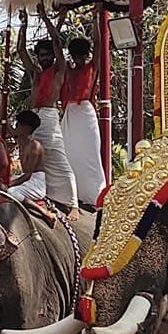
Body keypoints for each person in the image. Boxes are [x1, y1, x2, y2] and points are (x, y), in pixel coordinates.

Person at [23, 35, 77, 208]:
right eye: (41, 55)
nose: (44, 58)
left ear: (54, 55)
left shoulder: (59, 69)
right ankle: (44, 194)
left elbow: (58, 43)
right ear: (37, 56)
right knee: (37, 159)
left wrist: (46, 18)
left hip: (49, 115)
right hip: (34, 116)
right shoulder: (36, 74)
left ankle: (73, 203)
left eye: (48, 55)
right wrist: (23, 24)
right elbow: (20, 50)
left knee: (58, 157)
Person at [61, 35, 105, 208]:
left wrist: (96, 19)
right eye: (76, 56)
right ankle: (73, 194)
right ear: (72, 55)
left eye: (82, 56)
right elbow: (57, 47)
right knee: (69, 153)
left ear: (86, 55)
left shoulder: (93, 67)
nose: (78, 59)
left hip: (86, 113)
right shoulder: (67, 70)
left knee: (90, 154)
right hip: (70, 113)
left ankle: (95, 195)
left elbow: (99, 45)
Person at [9, 107, 50, 202]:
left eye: (19, 125)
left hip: (35, 183)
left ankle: (44, 212)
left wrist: (9, 184)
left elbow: (28, 175)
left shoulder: (35, 146)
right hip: (25, 179)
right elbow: (9, 130)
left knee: (10, 192)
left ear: (26, 128)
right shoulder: (21, 141)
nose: (16, 127)